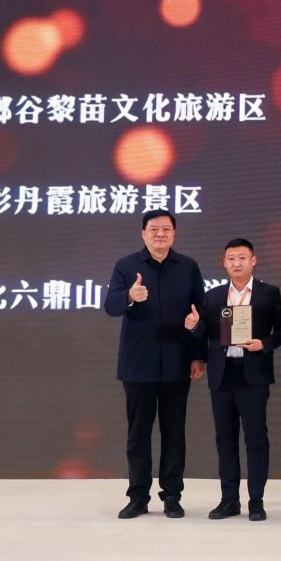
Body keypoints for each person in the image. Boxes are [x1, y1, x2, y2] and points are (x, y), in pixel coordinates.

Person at [102, 209, 206, 519]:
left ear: (174, 234)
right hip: (138, 364)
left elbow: (199, 314)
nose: (160, 234)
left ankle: (172, 495)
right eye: (154, 229)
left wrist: (198, 355)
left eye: (166, 229)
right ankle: (138, 496)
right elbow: (110, 306)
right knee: (138, 433)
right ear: (143, 234)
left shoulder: (188, 267)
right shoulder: (126, 266)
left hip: (178, 361)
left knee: (174, 433)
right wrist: (130, 296)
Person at [187, 238, 281, 521]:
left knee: (256, 439)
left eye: (242, 258)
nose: (236, 263)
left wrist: (264, 344)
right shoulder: (213, 296)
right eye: (231, 258)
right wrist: (194, 326)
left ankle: (256, 501)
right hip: (222, 375)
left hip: (253, 374)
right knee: (225, 439)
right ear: (224, 263)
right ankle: (229, 500)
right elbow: (204, 333)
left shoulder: (269, 294)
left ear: (253, 261)